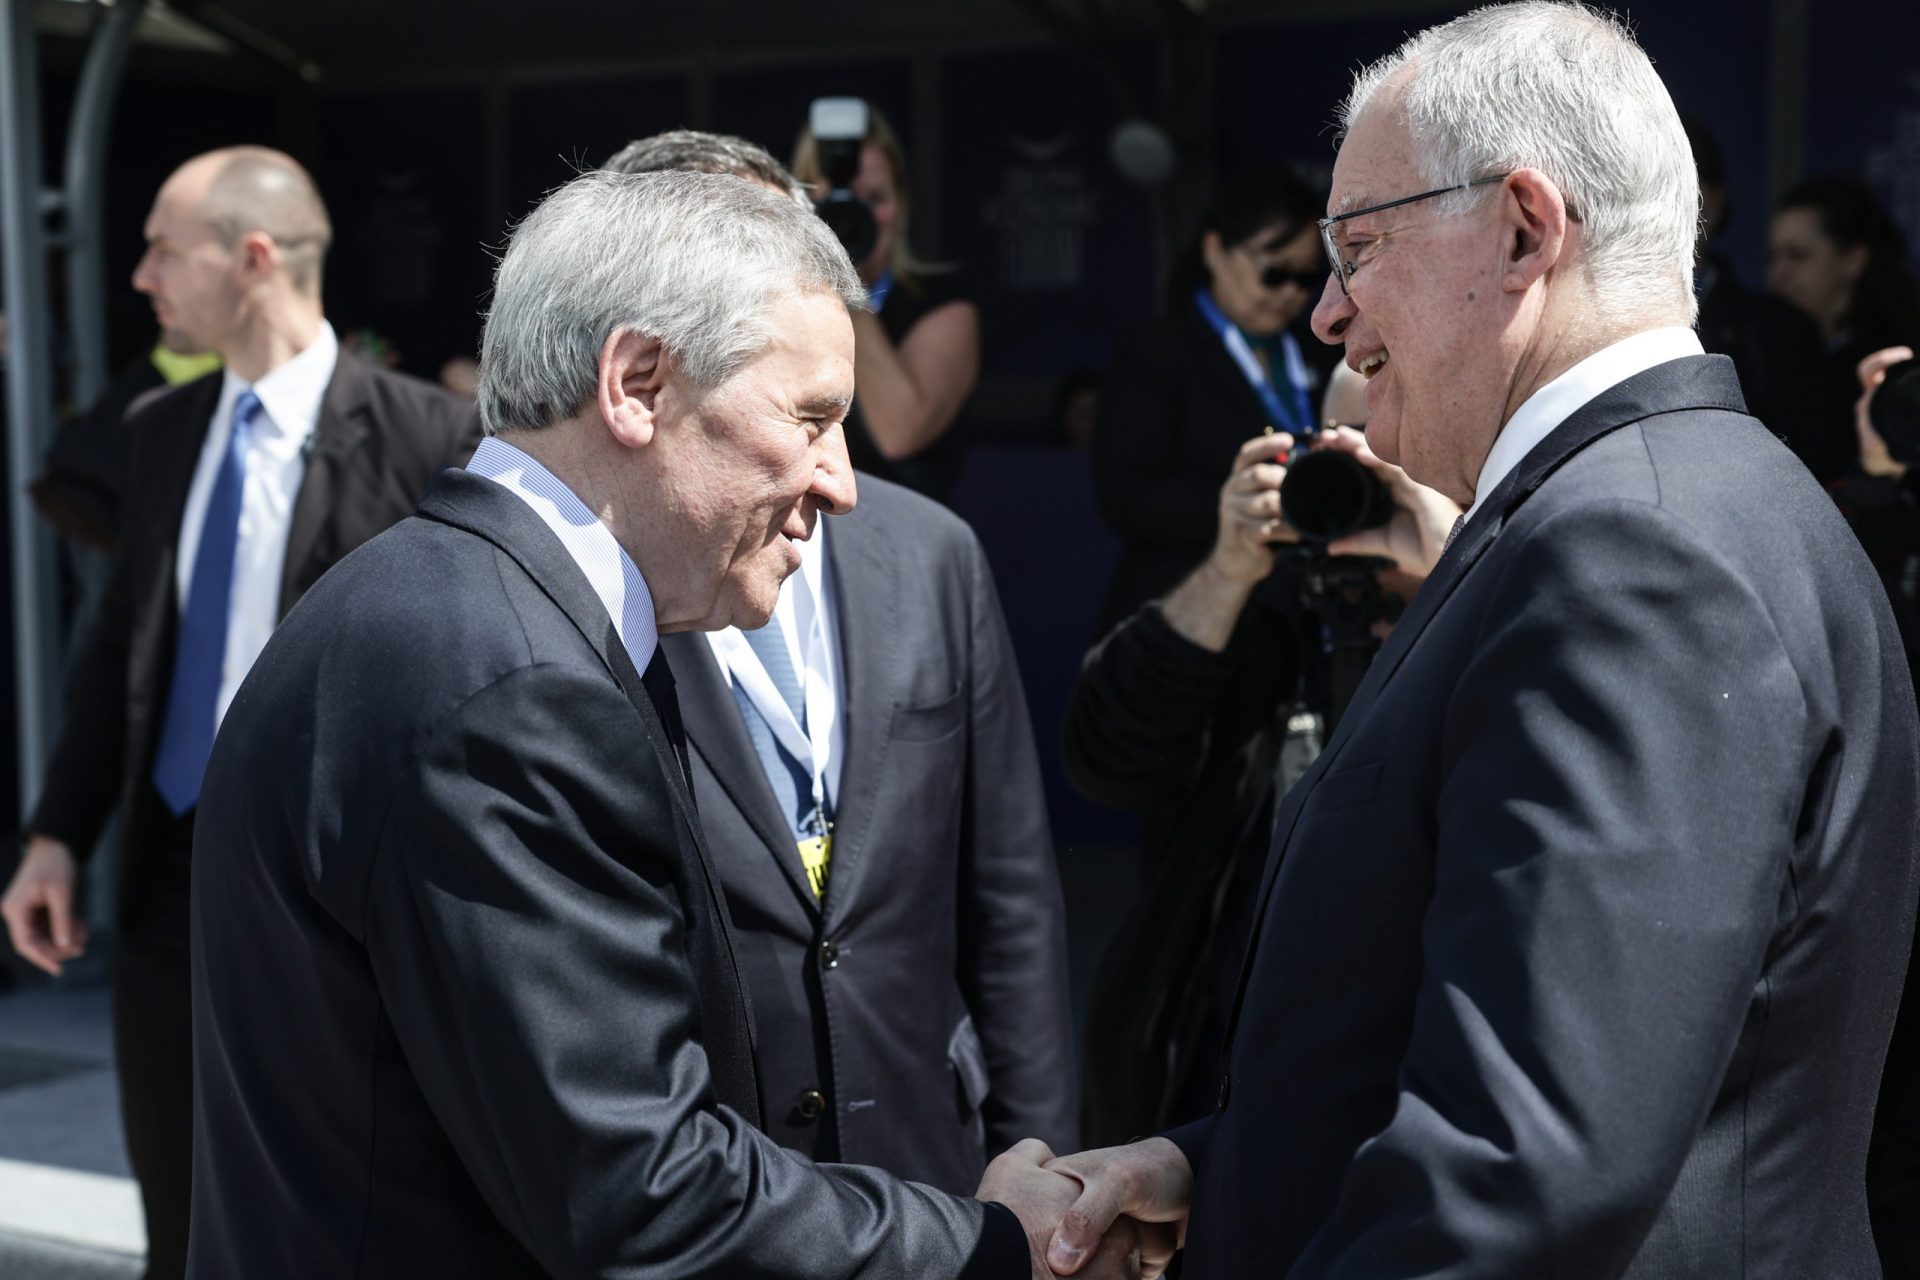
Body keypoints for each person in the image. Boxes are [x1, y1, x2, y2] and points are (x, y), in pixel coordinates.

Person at [1042, 5, 1920, 1275]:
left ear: (1521, 230)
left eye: (1359, 248)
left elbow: (1520, 1181)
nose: (1327, 315)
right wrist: (1213, 1168)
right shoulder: (1657, 507)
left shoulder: (1633, 553)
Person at [186, 169, 1157, 1280]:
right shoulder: (512, 684)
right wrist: (994, 1242)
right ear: (637, 383)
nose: (842, 482)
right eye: (811, 418)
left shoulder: (450, 611)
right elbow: (641, 1197)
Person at [0, 145, 478, 1280]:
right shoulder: (160, 428)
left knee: (341, 1208)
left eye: (163, 249)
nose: (142, 278)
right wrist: (56, 833)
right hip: (171, 874)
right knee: (177, 1211)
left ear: (252, 258)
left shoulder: (428, 436)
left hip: (338, 890)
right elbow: (121, 646)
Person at [605, 129, 1079, 1189]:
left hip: (931, 1164)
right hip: (713, 1182)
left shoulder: (931, 553)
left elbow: (1009, 895)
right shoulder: (590, 587)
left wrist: (1043, 1160)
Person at [1067, 393, 1457, 1146]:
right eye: (1344, 450)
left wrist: (1455, 560)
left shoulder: (1496, 607)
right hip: (1229, 1075)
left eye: (1395, 456)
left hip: (1418, 1081)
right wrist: (1228, 570)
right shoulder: (1263, 619)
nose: (1367, 477)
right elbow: (1107, 761)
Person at [1090, 165, 1337, 630]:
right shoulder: (1156, 352)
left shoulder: (1323, 348)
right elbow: (1125, 497)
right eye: (1273, 272)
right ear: (1214, 250)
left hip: (1301, 618)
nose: (1290, 292)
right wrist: (1259, 500)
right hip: (1188, 609)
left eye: (1306, 278)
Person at [791, 105, 979, 501]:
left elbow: (897, 434)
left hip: (907, 524)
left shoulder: (945, 306)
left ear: (901, 204)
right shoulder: (784, 306)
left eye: (875, 198)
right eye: (836, 204)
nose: (856, 216)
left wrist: (844, 279)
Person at [1681, 118, 1827, 467]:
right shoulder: (1595, 317)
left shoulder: (1780, 329)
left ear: (1713, 202)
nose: (1660, 205)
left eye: (1676, 187)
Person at [1768, 175, 1920, 484]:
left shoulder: (1895, 363)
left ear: (1853, 261)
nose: (1778, 273)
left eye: (1798, 255)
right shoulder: (1776, 356)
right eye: (1773, 257)